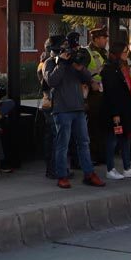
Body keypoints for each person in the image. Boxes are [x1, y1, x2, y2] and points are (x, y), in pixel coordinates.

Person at [45, 39, 106, 189]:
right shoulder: (50, 63)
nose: (67, 52)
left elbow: (87, 78)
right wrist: (62, 64)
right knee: (62, 145)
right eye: (63, 49)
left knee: (84, 143)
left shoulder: (73, 63)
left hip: (78, 108)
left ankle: (89, 174)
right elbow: (51, 81)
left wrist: (79, 67)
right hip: (62, 109)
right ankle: (62, 176)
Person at [100, 41, 131, 180]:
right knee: (112, 139)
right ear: (118, 53)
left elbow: (129, 87)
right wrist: (115, 114)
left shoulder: (123, 67)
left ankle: (127, 167)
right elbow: (111, 93)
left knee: (126, 138)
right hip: (116, 111)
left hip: (126, 109)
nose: (127, 54)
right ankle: (110, 169)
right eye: (125, 52)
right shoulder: (108, 69)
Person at [37, 36, 65, 179]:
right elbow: (49, 82)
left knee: (54, 137)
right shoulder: (47, 63)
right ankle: (52, 168)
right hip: (51, 103)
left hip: (51, 103)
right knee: (55, 137)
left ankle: (54, 167)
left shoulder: (47, 61)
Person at [85, 27, 108, 165]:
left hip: (103, 94)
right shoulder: (87, 52)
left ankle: (101, 154)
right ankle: (93, 155)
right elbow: (81, 72)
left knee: (102, 126)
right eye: (103, 38)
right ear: (95, 39)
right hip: (93, 95)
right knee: (93, 127)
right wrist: (90, 81)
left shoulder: (103, 52)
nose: (105, 40)